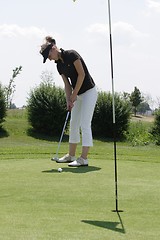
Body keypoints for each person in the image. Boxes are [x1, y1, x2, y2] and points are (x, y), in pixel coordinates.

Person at [40, 36, 97, 167]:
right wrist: (68, 100)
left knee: (85, 124)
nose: (49, 59)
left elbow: (82, 75)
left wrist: (74, 95)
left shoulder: (72, 54)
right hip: (78, 94)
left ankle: (83, 158)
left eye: (48, 55)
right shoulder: (59, 65)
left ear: (53, 48)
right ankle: (71, 156)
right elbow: (67, 84)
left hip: (89, 92)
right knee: (74, 123)